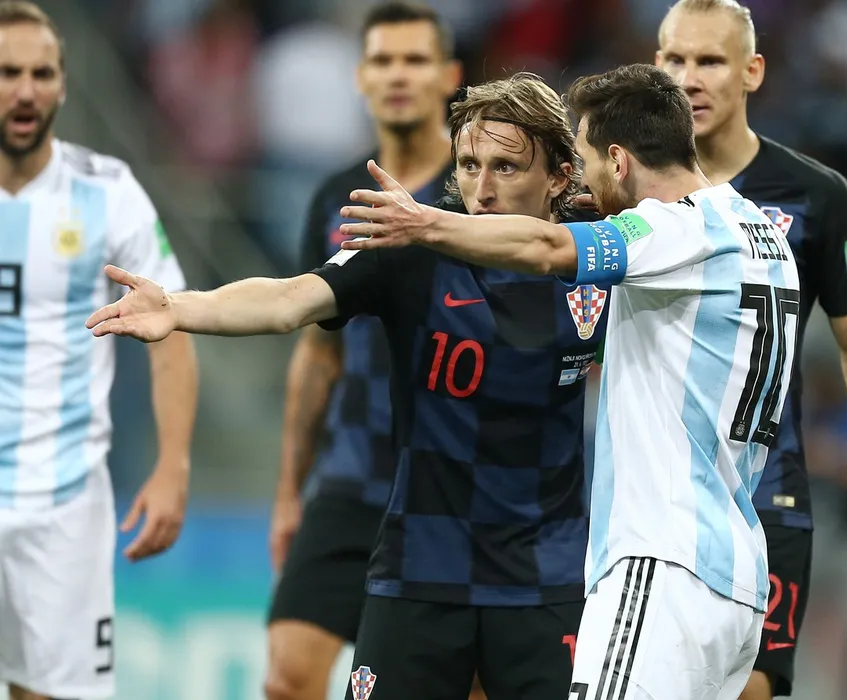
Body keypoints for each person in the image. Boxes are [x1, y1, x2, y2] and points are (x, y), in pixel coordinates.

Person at [87, 72, 604, 700]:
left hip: (546, 579)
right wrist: (179, 306)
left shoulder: (600, 262)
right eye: (470, 165)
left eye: (507, 167)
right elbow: (289, 299)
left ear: (558, 178)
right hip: (420, 571)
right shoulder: (407, 248)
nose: (483, 188)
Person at [332, 62, 801, 700]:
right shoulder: (762, 234)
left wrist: (424, 223)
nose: (584, 184)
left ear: (619, 160)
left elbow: (552, 250)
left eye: (587, 163)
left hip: (663, 560)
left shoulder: (669, 232)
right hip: (737, 572)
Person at [654, 1, 847, 697]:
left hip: (764, 493)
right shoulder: (618, 189)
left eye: (709, 61)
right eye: (675, 59)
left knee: (752, 688)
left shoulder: (815, 196)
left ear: (752, 71)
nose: (689, 78)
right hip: (650, 505)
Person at [0, 3, 198, 700]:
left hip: (64, 502)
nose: (26, 90)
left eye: (42, 73)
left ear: (63, 82)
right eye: (8, 73)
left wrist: (172, 466)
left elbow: (171, 325)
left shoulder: (107, 191)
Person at [263, 5, 461, 700]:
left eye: (415, 60)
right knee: (287, 677)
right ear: (361, 77)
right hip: (349, 483)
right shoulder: (335, 200)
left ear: (449, 76)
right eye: (383, 60)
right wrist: (289, 493)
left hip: (448, 489)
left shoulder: (477, 195)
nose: (398, 75)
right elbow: (318, 357)